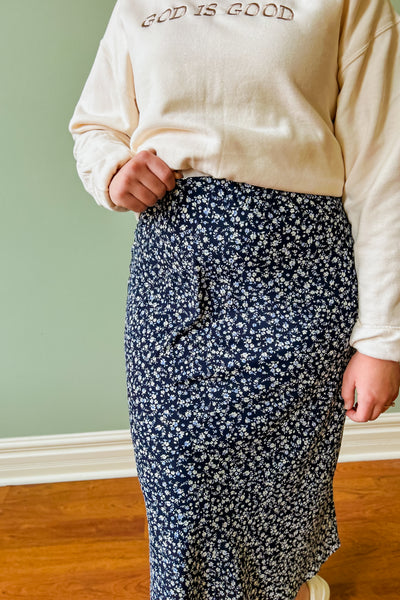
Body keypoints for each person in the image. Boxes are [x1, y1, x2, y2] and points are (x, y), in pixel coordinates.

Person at [68, 1, 400, 598]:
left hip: (301, 274)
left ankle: (281, 584)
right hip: (173, 274)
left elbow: (385, 172)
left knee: (282, 478)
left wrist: (382, 340)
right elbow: (97, 125)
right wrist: (114, 171)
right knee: (180, 484)